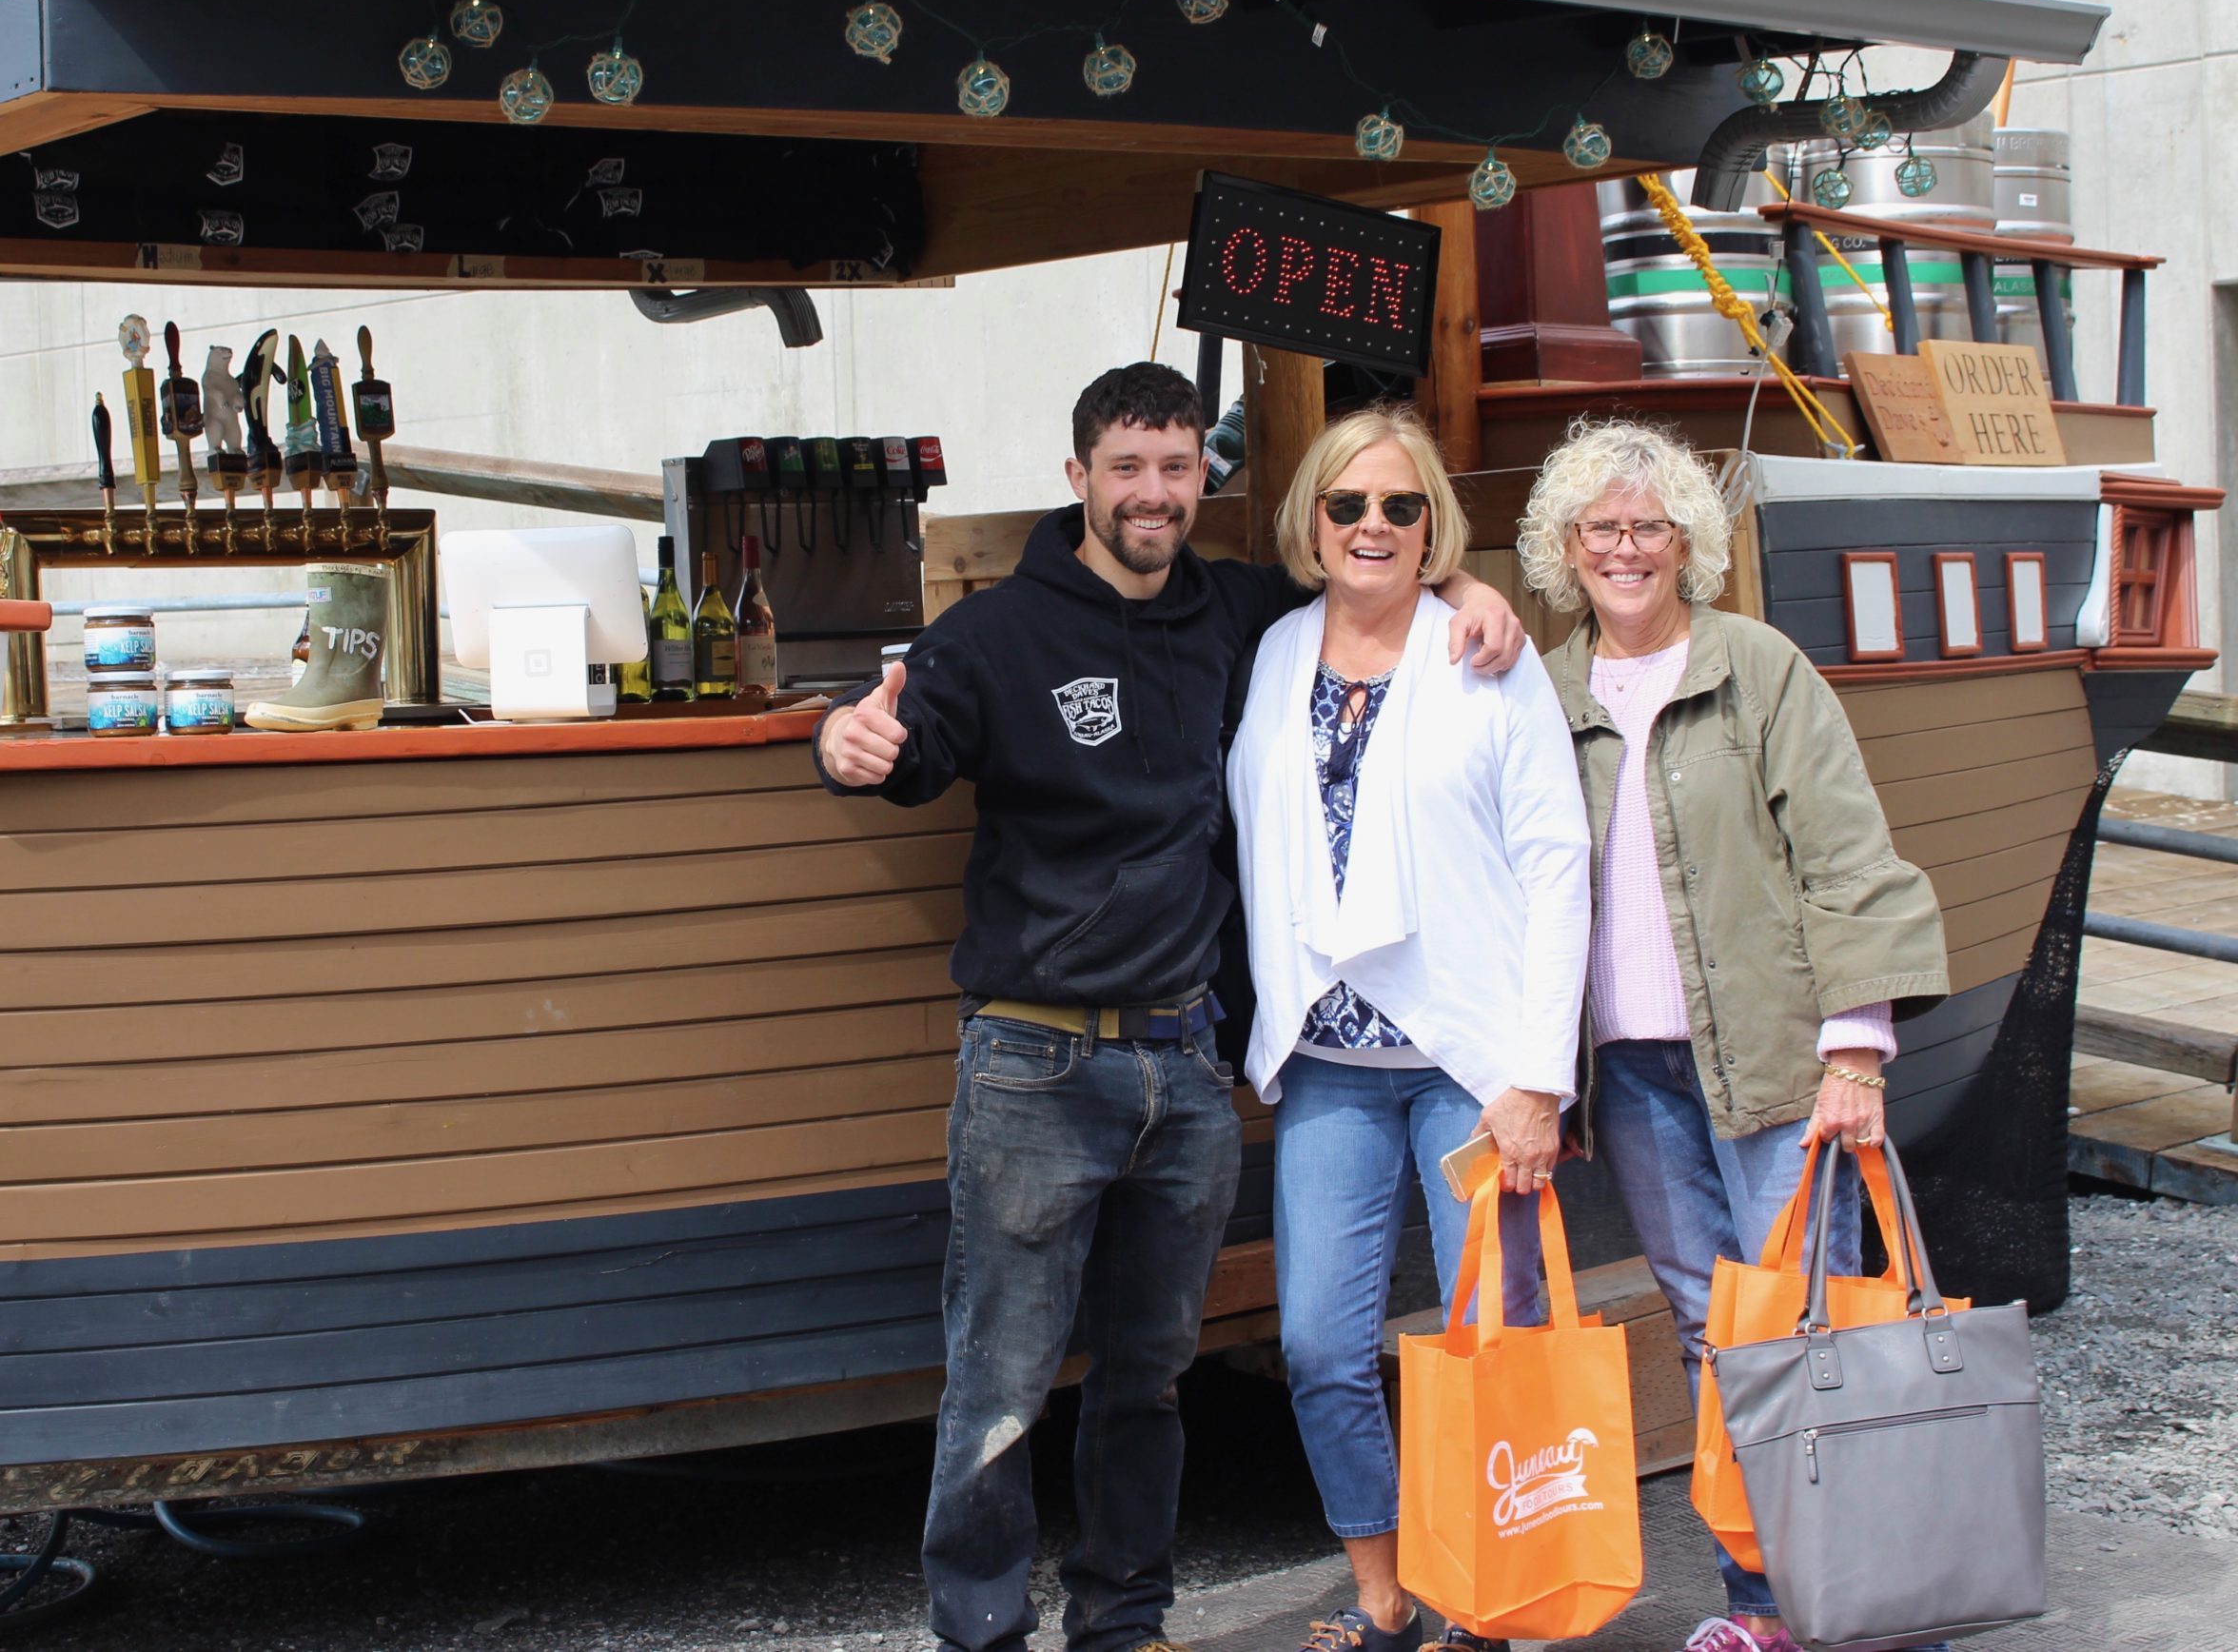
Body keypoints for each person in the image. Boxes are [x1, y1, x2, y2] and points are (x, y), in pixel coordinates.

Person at [815, 363, 1525, 1652]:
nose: (1153, 492)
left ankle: (1125, 1625)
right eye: (1126, 467)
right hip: (1034, 1064)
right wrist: (840, 747)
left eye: (1177, 466)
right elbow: (897, 747)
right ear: (1078, 477)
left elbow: (1371, 576)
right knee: (1000, 1385)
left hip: (1186, 1066)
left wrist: (1471, 587)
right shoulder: (993, 636)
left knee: (1148, 1382)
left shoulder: (1239, 609)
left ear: (1207, 476)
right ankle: (980, 1633)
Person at [1518, 420, 1951, 1652]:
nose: (1626, 548)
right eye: (1601, 529)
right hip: (1637, 1077)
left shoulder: (1759, 669)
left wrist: (1854, 1049)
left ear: (1689, 543)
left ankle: (1856, 1600)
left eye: (1650, 526)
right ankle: (1760, 1605)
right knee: (1714, 1338)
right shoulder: (1541, 694)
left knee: (1802, 1329)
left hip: (1773, 1064)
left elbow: (1847, 859)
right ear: (1564, 548)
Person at [1225, 407, 1590, 1652]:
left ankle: (1483, 1600)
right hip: (1327, 1068)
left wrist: (1540, 1078)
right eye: (1348, 506)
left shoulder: (1485, 653)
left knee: (1495, 1345)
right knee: (1322, 1344)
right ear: (1310, 522)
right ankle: (1383, 1596)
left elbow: (1558, 862)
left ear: (1435, 526)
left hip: (1469, 1070)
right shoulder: (1270, 653)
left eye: (1401, 506)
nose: (1373, 526)